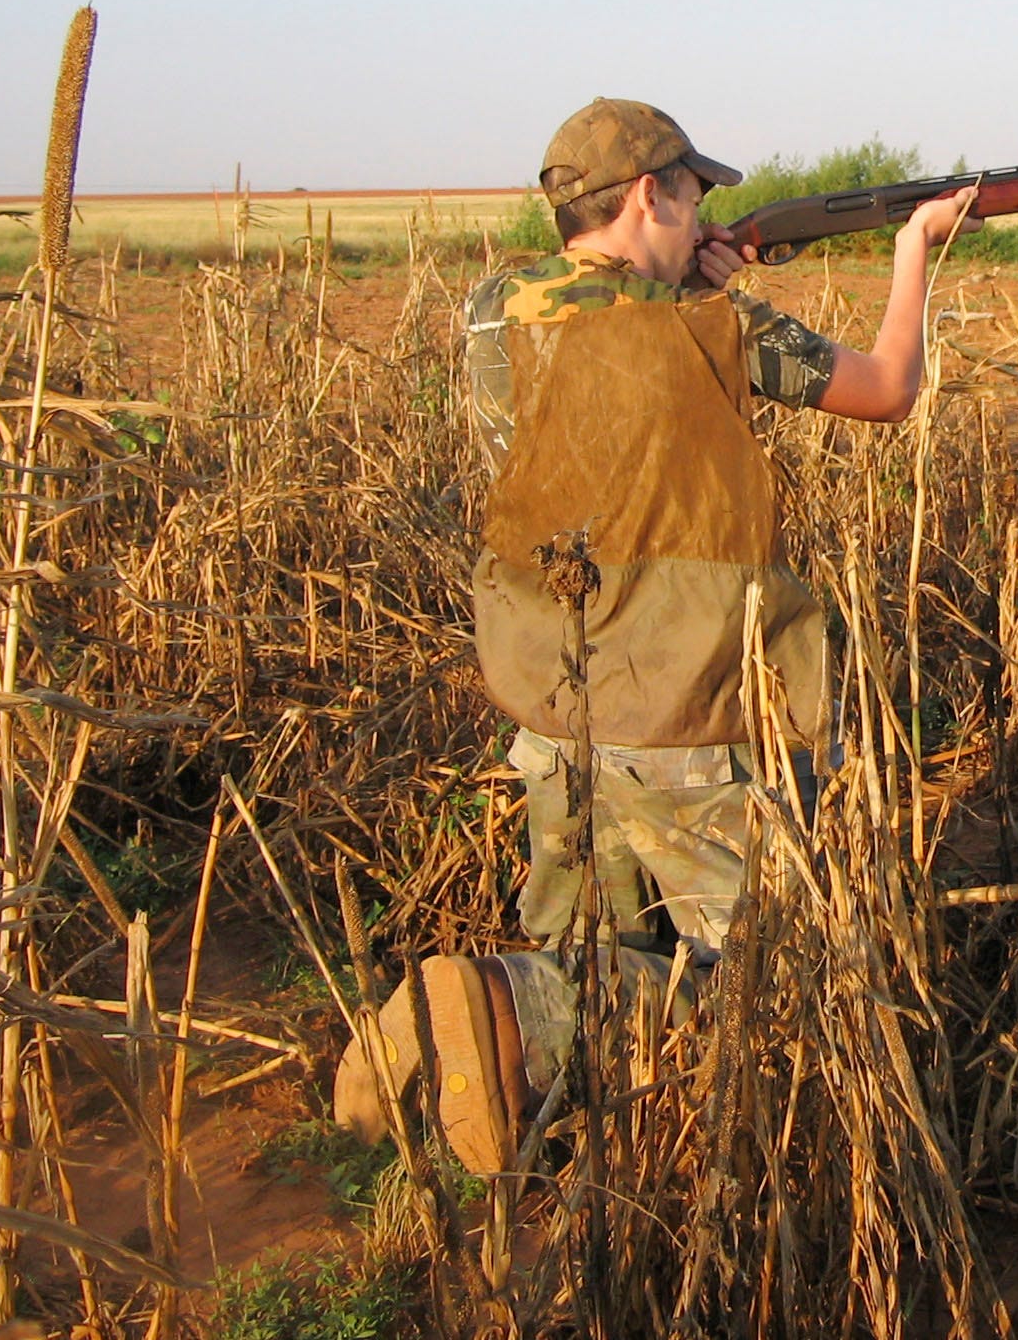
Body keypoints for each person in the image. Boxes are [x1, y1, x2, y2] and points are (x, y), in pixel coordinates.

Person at [334, 97, 975, 1173]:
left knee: (595, 947)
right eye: (691, 196)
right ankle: (487, 1004)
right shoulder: (719, 328)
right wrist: (914, 249)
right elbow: (889, 388)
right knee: (756, 972)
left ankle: (506, 1090)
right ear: (649, 193)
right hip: (689, 708)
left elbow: (600, 335)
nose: (702, 216)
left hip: (553, 703)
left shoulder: (494, 309)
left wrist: (680, 278)